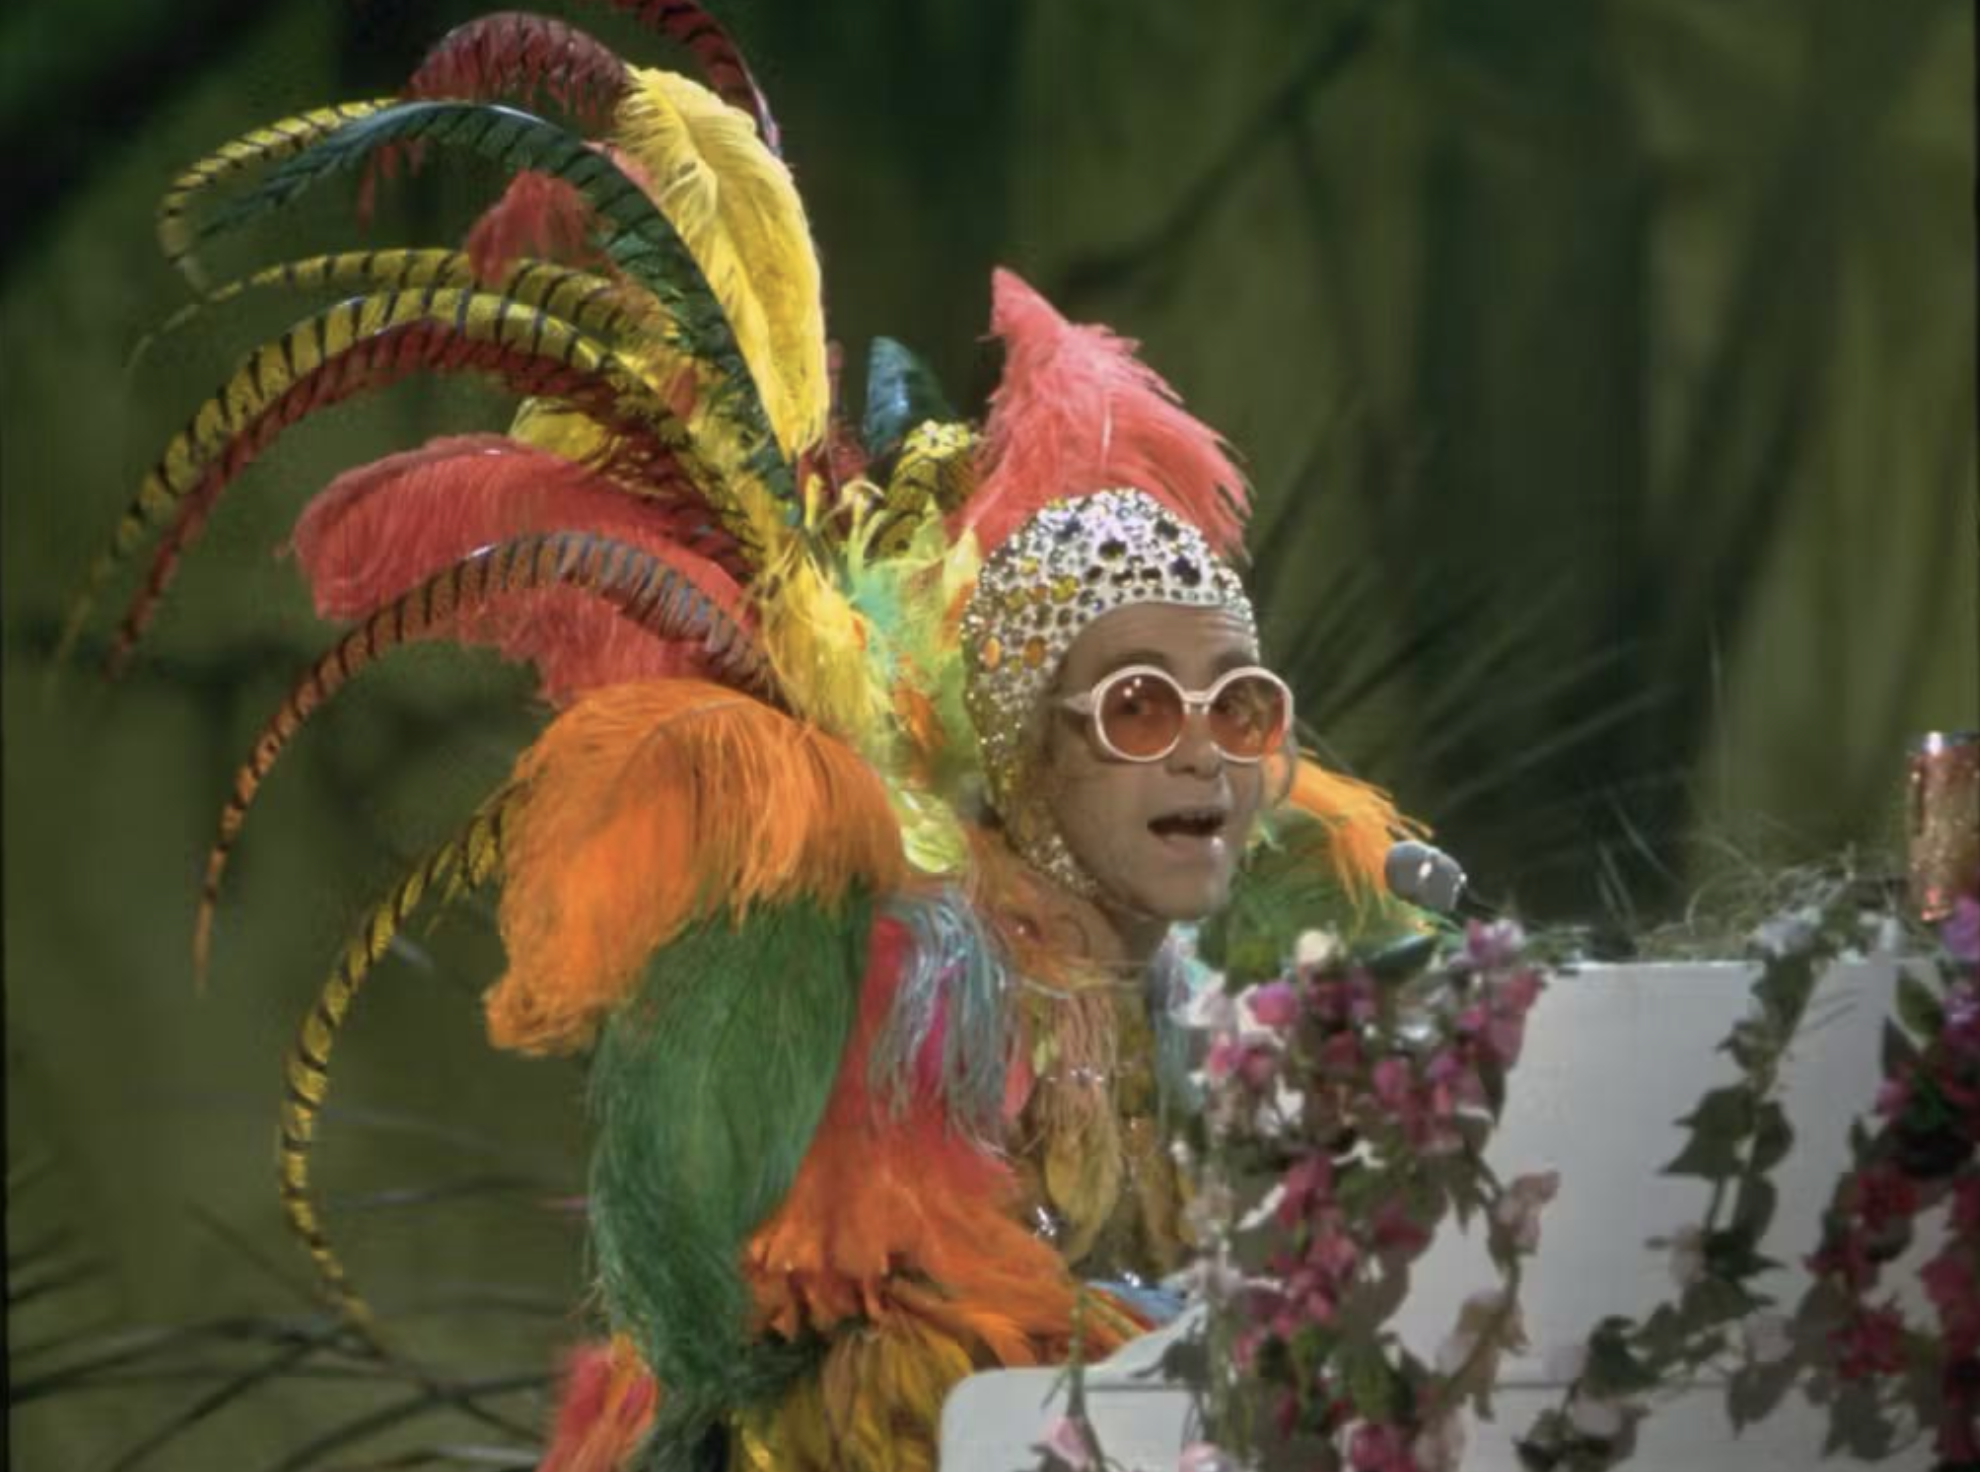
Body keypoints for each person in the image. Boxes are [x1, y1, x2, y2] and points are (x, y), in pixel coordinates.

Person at [71, 7, 1421, 1468]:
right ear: (1034, 750)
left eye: (1245, 709)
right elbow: (852, 1349)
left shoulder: (1238, 966)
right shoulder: (916, 962)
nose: (1208, 754)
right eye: (1144, 710)